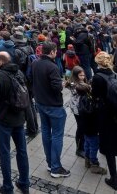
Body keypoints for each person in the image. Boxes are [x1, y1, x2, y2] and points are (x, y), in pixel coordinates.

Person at [0, 51, 31, 193]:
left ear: (1, 61)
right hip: (19, 117)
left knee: (5, 153)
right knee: (22, 151)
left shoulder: (0, 76)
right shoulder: (19, 72)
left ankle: (8, 186)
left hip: (4, 119)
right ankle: (24, 183)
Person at [92, 52, 117, 190]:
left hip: (106, 115)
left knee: (110, 148)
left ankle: (113, 179)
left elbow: (95, 97)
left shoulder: (97, 78)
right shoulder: (116, 75)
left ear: (98, 62)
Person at [29, 42, 69, 179]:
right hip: (53, 105)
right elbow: (56, 87)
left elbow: (31, 79)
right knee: (57, 135)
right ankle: (56, 167)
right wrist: (62, 84)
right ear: (52, 52)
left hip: (41, 103)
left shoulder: (35, 63)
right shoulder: (52, 66)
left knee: (46, 133)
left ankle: (50, 163)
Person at [65, 66, 105, 174]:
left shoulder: (83, 83)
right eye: (80, 75)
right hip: (78, 109)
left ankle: (84, 150)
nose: (83, 77)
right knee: (80, 128)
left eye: (83, 75)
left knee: (84, 130)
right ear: (75, 75)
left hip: (82, 109)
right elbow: (81, 91)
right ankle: (79, 148)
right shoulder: (75, 85)